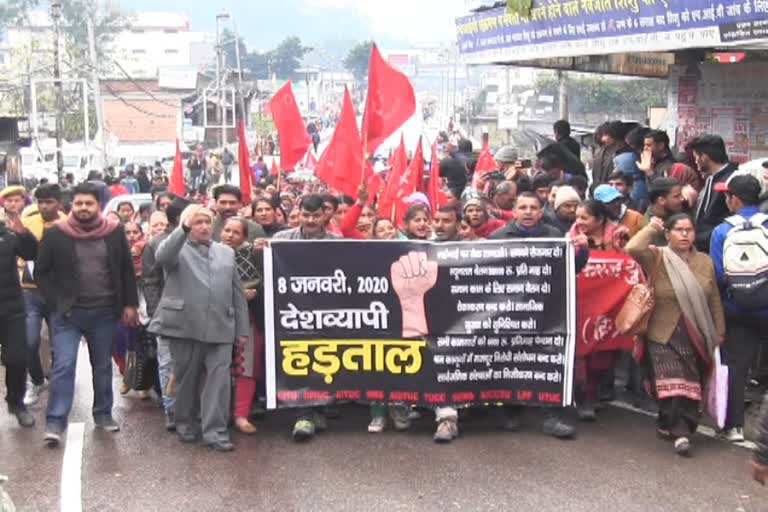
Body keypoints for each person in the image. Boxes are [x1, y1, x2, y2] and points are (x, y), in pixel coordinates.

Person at [35, 182, 139, 447]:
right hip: (68, 314)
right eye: (79, 203)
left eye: (89, 203)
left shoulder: (114, 232)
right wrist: (56, 302)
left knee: (102, 366)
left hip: (105, 312)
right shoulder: (57, 233)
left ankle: (103, 415)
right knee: (64, 365)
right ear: (71, 205)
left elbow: (126, 269)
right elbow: (41, 273)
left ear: (98, 206)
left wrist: (129, 304)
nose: (83, 208)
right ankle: (55, 422)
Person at [148, 204, 248, 452]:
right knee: (186, 380)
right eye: (197, 222)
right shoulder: (176, 249)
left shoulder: (226, 253)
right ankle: (186, 423)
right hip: (184, 326)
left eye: (207, 221)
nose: (203, 226)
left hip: (221, 326)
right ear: (186, 226)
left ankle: (216, 432)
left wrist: (242, 330)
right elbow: (161, 257)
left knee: (219, 381)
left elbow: (237, 292)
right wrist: (182, 227)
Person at [490, 193, 589, 438]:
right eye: (522, 207)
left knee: (547, 361)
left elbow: (571, 270)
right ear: (513, 211)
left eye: (533, 207)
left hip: (546, 312)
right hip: (510, 313)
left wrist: (583, 252)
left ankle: (551, 416)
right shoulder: (497, 238)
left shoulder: (555, 237)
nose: (528, 212)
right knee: (511, 361)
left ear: (541, 211)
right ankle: (512, 410)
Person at [626, 214, 725, 456]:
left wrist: (719, 331)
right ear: (668, 234)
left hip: (697, 331)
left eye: (689, 230)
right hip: (662, 331)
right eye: (678, 230)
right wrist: (652, 228)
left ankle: (672, 423)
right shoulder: (657, 256)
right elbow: (632, 247)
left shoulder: (704, 262)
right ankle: (680, 432)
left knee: (692, 382)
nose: (684, 235)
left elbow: (713, 298)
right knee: (672, 382)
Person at [273, 195, 340, 441]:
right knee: (298, 359)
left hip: (326, 313)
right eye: (306, 215)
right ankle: (304, 414)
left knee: (324, 359)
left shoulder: (337, 241)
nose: (311, 220)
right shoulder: (280, 240)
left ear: (325, 215)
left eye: (316, 216)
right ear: (299, 214)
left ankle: (318, 409)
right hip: (291, 313)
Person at [709, 174, 768, 442]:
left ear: (735, 199)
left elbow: (719, 276)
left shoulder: (722, 231)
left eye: (727, 195)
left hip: (737, 309)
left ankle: (734, 426)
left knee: (737, 365)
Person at [142, 196, 191, 431]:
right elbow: (150, 281)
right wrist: (154, 312)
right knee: (168, 362)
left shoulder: (203, 242)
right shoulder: (157, 244)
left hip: (198, 313)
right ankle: (171, 409)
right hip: (168, 313)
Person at [20, 184, 66, 406]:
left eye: (48, 202)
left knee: (59, 343)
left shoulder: (68, 223)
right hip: (31, 292)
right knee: (29, 341)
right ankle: (37, 381)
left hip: (58, 293)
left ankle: (58, 382)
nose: (44, 206)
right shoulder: (29, 223)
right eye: (40, 202)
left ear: (58, 203)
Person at [219, 217, 263, 435]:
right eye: (227, 230)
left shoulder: (254, 257)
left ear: (244, 237)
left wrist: (251, 295)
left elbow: (265, 282)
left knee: (246, 367)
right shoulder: (210, 255)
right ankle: (221, 413)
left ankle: (241, 415)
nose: (230, 236)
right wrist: (237, 295)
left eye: (236, 232)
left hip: (249, 320)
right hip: (217, 319)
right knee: (219, 367)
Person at [0, 208, 38, 428]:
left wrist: (23, 233)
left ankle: (16, 403)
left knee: (16, 359)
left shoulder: (8, 235)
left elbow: (32, 253)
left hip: (12, 309)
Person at [688, 135, 739, 251]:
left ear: (704, 158)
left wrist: (700, 238)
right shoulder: (711, 178)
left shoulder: (730, 181)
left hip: (718, 245)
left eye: (696, 157)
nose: (695, 161)